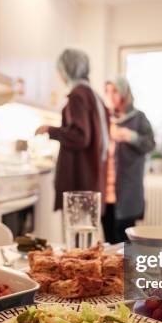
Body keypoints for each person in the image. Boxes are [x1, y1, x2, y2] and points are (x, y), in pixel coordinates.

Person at [35, 48, 109, 211]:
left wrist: (50, 130)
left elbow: (80, 136)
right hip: (91, 177)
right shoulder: (93, 95)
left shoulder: (78, 95)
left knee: (76, 232)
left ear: (67, 69)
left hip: (79, 178)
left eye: (60, 70)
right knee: (85, 231)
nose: (59, 75)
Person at [102, 76, 155, 243]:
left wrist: (131, 137)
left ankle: (128, 270)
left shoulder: (139, 118)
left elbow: (150, 144)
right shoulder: (106, 119)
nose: (111, 96)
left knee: (125, 243)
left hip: (127, 192)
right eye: (108, 91)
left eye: (115, 91)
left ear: (125, 93)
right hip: (106, 192)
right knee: (109, 242)